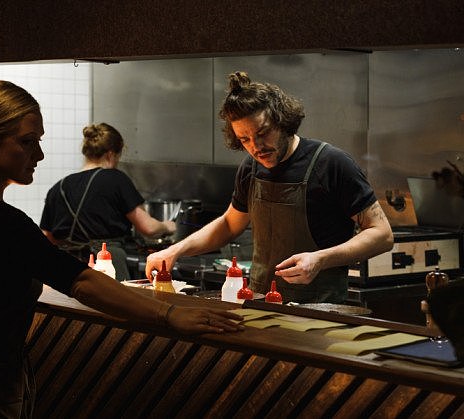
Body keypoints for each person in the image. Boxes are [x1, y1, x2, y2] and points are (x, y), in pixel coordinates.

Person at [0, 80, 242, 418]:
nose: (38, 155)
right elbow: (80, 281)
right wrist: (169, 315)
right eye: (27, 142)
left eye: (38, 141)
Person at [146, 72, 394, 304]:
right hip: (258, 302)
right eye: (244, 140)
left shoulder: (332, 164)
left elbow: (382, 234)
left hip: (319, 308)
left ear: (283, 120)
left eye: (263, 133)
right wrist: (174, 251)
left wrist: (320, 259)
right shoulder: (251, 168)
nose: (256, 147)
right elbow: (230, 224)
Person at [40, 122, 176, 280]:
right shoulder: (116, 179)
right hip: (106, 267)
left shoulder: (59, 187)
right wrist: (168, 226)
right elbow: (149, 228)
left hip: (66, 268)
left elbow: (47, 237)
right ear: (111, 154)